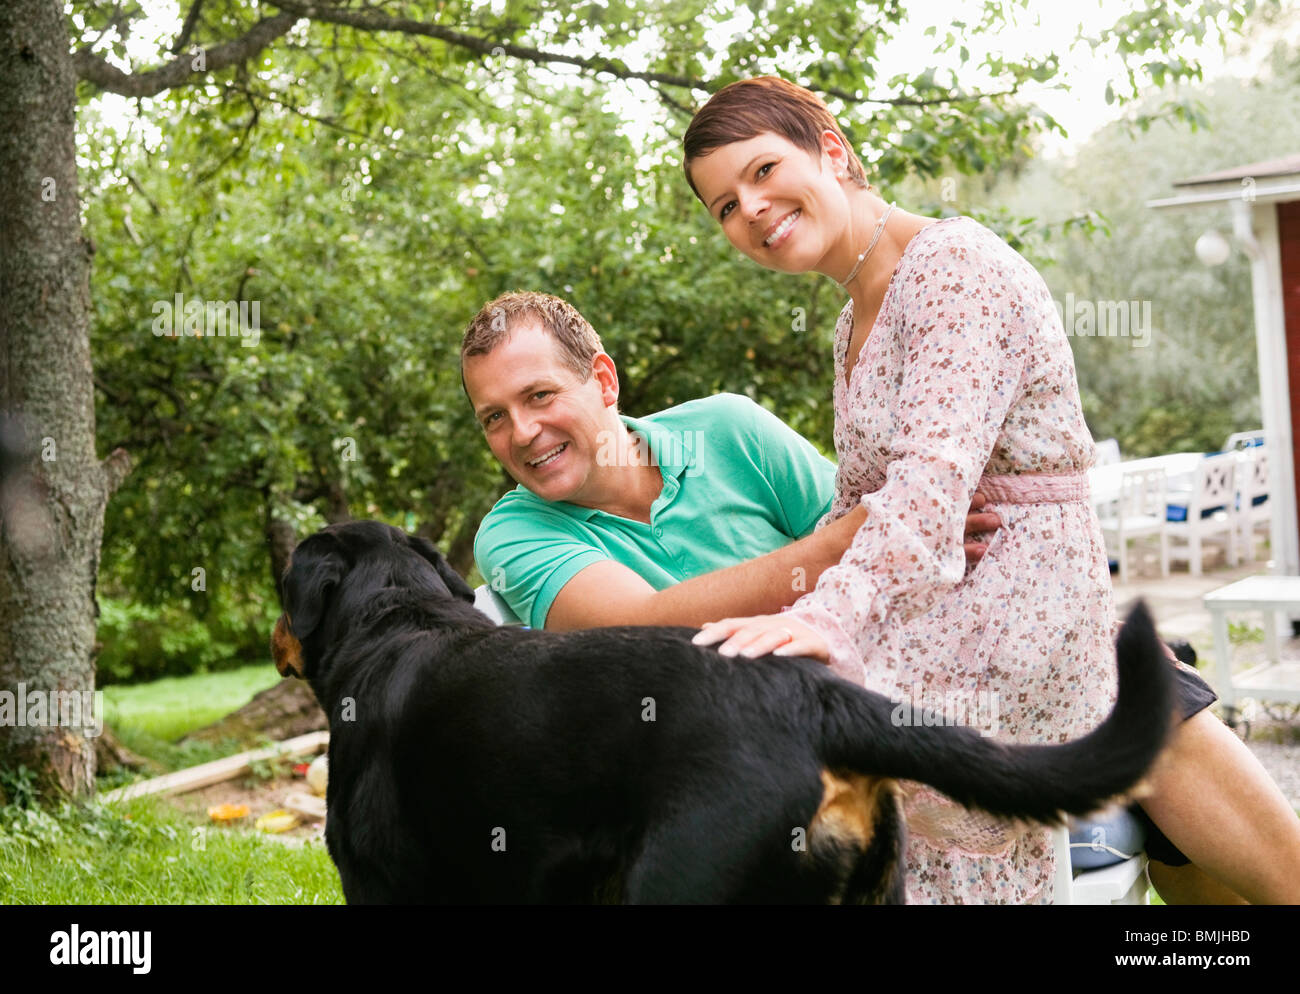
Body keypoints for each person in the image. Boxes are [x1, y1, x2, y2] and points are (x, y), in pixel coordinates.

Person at [677, 75, 1300, 903]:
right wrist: (790, 608)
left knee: (841, 740)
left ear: (831, 151)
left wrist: (823, 617)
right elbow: (858, 502)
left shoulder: (954, 267)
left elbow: (927, 492)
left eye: (761, 172)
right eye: (723, 205)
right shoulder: (851, 314)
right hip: (948, 610)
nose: (748, 209)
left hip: (1022, 608)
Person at [463, 290, 1300, 904]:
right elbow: (643, 626)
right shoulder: (514, 534)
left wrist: (1063, 624)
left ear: (601, 379)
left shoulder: (726, 430)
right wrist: (827, 547)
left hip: (886, 681)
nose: (522, 434)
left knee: (1149, 699)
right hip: (739, 759)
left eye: (539, 397)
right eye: (494, 418)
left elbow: (901, 550)